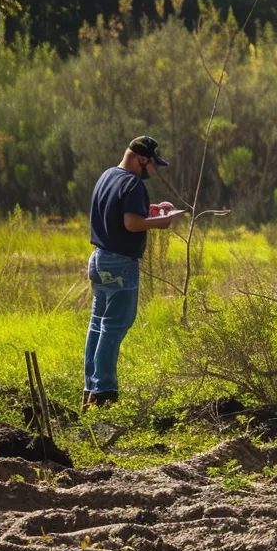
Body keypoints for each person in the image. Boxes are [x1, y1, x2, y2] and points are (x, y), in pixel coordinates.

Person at [83, 136, 183, 408]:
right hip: (119, 263)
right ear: (141, 159)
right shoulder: (133, 183)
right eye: (152, 165)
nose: (153, 171)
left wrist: (151, 210)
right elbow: (131, 223)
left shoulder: (109, 175)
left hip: (99, 259)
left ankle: (90, 388)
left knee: (97, 324)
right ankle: (104, 394)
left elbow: (118, 212)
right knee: (115, 325)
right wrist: (164, 222)